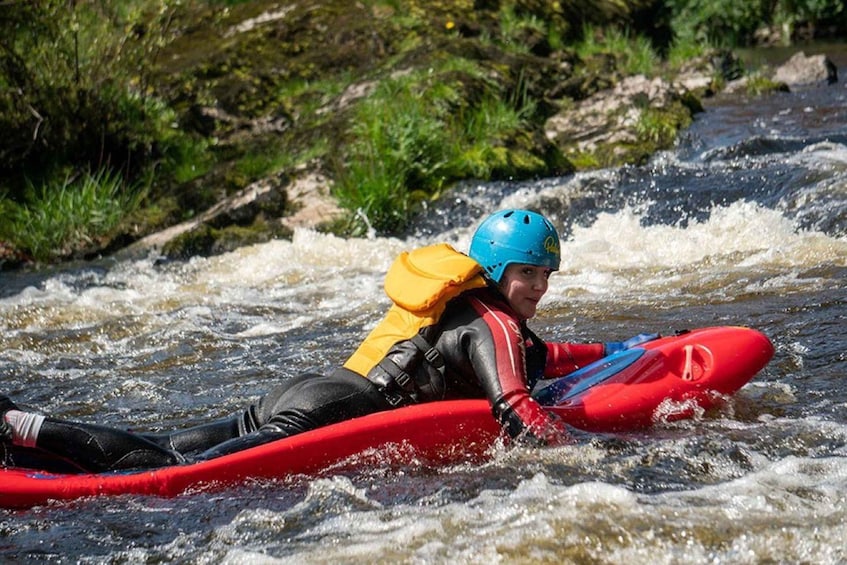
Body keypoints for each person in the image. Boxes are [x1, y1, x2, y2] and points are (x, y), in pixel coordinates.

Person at [0, 209, 645, 474]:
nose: (538, 286)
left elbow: (544, 357)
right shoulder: (494, 324)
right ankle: (18, 426)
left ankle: (21, 428)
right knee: (168, 469)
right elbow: (515, 405)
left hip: (319, 391)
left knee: (166, 446)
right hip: (332, 414)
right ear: (499, 272)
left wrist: (619, 352)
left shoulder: (472, 311)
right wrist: (591, 458)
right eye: (527, 273)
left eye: (546, 274)